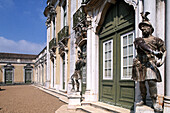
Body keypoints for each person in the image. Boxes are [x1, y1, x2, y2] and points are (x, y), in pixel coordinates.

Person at [132, 12, 166, 111]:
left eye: (145, 27)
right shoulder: (138, 40)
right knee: (141, 83)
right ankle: (143, 99)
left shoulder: (157, 40)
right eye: (141, 27)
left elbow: (164, 51)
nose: (143, 29)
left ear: (150, 28)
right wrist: (154, 52)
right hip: (140, 63)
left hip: (150, 63)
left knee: (152, 82)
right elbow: (142, 46)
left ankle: (155, 102)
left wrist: (162, 61)